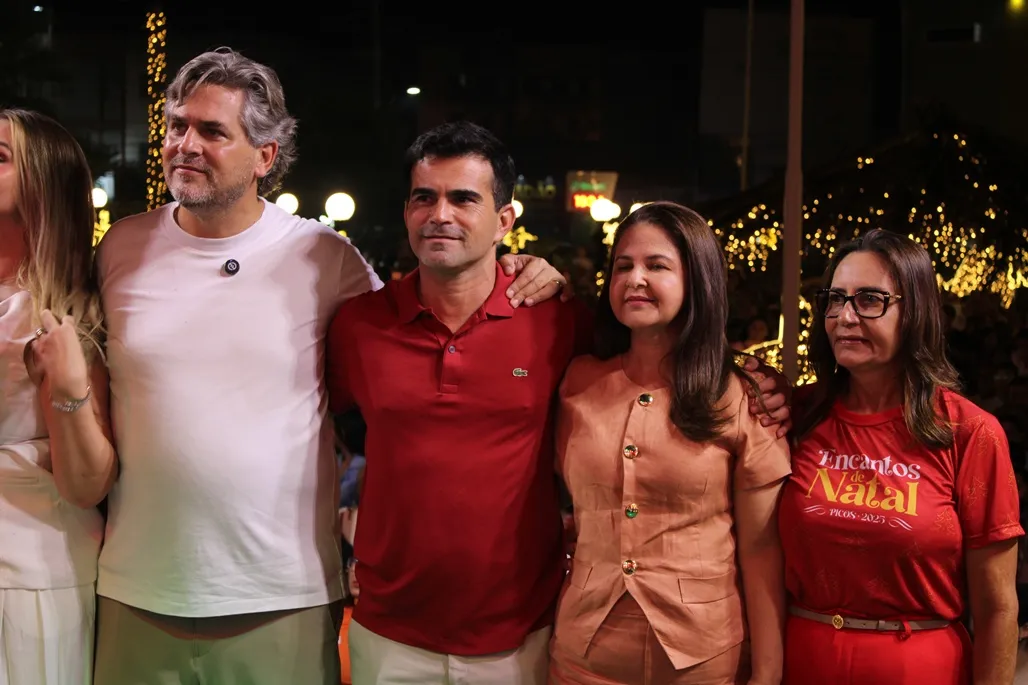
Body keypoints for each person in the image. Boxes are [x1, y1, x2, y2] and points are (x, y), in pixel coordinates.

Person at [89, 49, 561, 685]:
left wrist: (522, 270)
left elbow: (425, 312)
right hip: (134, 586)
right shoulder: (119, 246)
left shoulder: (324, 256)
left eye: (212, 131)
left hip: (285, 594)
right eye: (177, 126)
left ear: (265, 155)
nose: (185, 145)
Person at [326, 123, 792, 684]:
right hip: (390, 629)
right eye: (424, 197)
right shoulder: (359, 325)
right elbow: (309, 426)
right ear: (406, 211)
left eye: (463, 198)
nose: (439, 214)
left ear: (505, 220)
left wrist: (753, 379)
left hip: (524, 633)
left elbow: (658, 357)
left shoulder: (556, 322)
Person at [549, 202, 790, 684]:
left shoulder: (741, 393)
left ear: (697, 280)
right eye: (623, 266)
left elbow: (761, 549)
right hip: (584, 655)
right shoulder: (578, 381)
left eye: (656, 265)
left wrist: (768, 672)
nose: (634, 279)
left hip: (703, 657)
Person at [779, 229, 1023, 685]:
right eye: (835, 299)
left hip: (921, 668)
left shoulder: (969, 433)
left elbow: (997, 608)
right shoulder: (795, 415)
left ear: (916, 312)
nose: (845, 316)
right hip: (802, 661)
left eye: (869, 300)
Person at [0, 108, 117, 684]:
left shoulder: (65, 313)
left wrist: (69, 388)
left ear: (42, 183)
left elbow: (87, 485)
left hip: (26, 582)